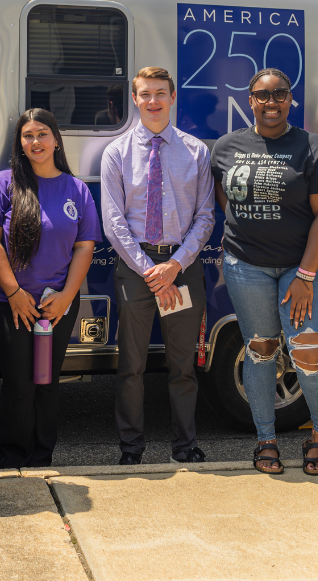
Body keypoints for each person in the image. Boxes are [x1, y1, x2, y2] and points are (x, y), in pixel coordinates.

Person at [211, 69, 318, 476]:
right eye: (263, 95)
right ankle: (265, 439)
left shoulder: (311, 146)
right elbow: (225, 200)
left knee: (310, 352)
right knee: (261, 349)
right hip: (246, 265)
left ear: (290, 100)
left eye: (280, 94)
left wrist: (304, 275)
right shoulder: (226, 147)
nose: (272, 102)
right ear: (250, 100)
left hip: (303, 267)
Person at [101, 66, 215, 466]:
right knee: (130, 366)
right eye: (145, 94)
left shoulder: (196, 150)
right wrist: (151, 269)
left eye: (160, 93)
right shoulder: (116, 152)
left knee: (183, 366)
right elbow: (113, 222)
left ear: (172, 98)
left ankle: (185, 446)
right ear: (135, 99)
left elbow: (205, 217)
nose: (153, 101)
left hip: (182, 268)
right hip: (136, 269)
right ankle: (131, 449)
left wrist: (174, 266)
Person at [0, 108, 100, 467]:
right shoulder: (4, 183)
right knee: (19, 383)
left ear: (55, 139)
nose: (35, 142)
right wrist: (15, 293)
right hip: (8, 302)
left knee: (48, 381)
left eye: (42, 134)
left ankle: (42, 458)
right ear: (19, 143)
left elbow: (84, 246)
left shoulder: (76, 188)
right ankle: (14, 459)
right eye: (27, 136)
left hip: (57, 305)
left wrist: (66, 298)